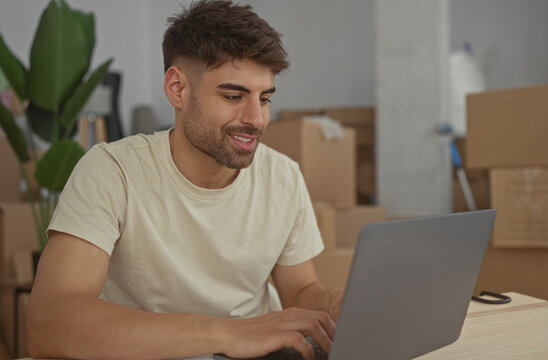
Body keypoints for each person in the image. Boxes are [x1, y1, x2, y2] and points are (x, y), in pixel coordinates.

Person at [26, 1, 344, 359]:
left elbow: (300, 292)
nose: (256, 119)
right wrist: (229, 334)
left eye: (265, 98)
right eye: (233, 96)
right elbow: (49, 323)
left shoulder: (283, 175)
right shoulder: (111, 170)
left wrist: (335, 303)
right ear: (178, 89)